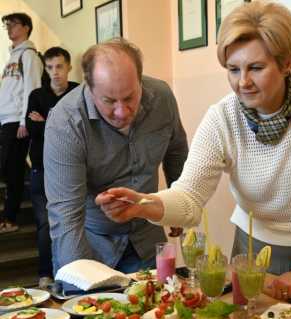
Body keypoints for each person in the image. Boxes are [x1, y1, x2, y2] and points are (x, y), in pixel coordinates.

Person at [96, 2, 291, 304]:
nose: (242, 82)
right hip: (255, 253)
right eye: (233, 69)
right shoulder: (222, 117)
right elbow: (189, 196)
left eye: (256, 68)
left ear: (286, 63)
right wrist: (143, 204)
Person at [44, 38, 188, 277]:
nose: (122, 112)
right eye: (109, 101)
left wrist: (178, 205)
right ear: (89, 88)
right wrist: (81, 285)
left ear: (140, 81)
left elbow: (177, 152)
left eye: (130, 98)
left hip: (146, 237)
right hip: (92, 245)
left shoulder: (162, 98)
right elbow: (66, 216)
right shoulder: (65, 122)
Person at [26, 47, 79, 288]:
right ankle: (46, 274)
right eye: (49, 68)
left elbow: (84, 131)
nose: (54, 73)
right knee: (45, 223)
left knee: (77, 221)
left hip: (75, 170)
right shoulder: (37, 96)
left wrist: (46, 122)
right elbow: (33, 130)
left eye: (59, 66)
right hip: (41, 169)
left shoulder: (79, 92)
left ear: (68, 67)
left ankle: (73, 272)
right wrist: (55, 125)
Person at [0, 12, 43, 233]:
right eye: (6, 25)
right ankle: (7, 217)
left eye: (13, 24)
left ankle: (10, 218)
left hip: (17, 122)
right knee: (9, 168)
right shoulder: (11, 58)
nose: (9, 28)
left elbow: (32, 90)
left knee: (13, 169)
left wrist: (24, 122)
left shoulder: (29, 56)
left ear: (26, 27)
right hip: (5, 120)